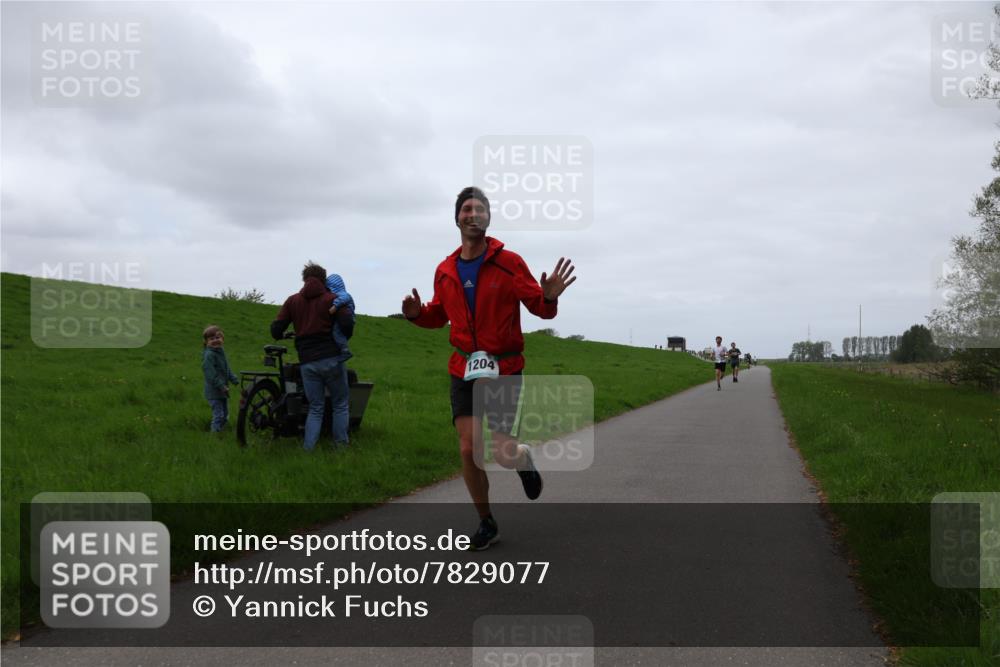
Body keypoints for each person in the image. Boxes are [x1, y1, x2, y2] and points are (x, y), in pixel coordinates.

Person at [402, 186, 577, 551]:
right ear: (457, 218)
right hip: (463, 367)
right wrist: (418, 316)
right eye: (467, 209)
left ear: (487, 218)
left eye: (480, 209)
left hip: (503, 367)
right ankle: (486, 522)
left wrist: (548, 296)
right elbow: (440, 315)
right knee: (468, 449)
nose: (473, 214)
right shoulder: (445, 270)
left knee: (499, 451)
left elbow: (539, 308)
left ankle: (522, 457)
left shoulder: (508, 262)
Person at [271, 262, 355, 451]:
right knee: (340, 404)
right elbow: (347, 323)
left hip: (307, 362)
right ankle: (341, 447)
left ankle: (308, 449)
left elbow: (276, 329)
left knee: (315, 407)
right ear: (324, 280)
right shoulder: (332, 298)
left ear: (304, 279)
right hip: (332, 359)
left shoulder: (292, 301)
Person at [201, 325, 238, 432]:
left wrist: (234, 379)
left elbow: (226, 369)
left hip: (223, 390)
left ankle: (220, 431)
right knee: (219, 415)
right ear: (206, 342)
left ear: (222, 339)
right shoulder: (209, 355)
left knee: (225, 414)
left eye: (217, 338)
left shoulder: (220, 352)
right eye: (211, 339)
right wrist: (221, 386)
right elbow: (210, 375)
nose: (215, 340)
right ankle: (215, 435)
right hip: (214, 391)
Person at [325, 273, 356, 355]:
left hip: (347, 318)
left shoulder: (343, 294)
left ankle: (344, 350)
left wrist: (335, 306)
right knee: (338, 334)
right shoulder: (342, 293)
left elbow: (344, 299)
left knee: (336, 332)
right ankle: (341, 348)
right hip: (346, 319)